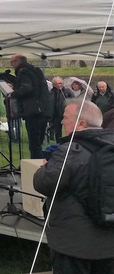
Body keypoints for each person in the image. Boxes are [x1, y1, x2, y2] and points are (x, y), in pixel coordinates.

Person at [33, 100, 114, 273]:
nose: (62, 122)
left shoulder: (70, 150)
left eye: (66, 117)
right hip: (108, 243)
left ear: (81, 124)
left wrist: (44, 167)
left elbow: (43, 183)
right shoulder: (111, 146)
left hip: (73, 246)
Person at [10, 54, 49, 159]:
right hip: (43, 110)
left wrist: (13, 93)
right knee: (38, 143)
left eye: (12, 62)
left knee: (34, 144)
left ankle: (36, 169)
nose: (11, 65)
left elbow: (27, 88)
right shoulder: (36, 71)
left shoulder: (23, 71)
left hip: (33, 111)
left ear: (17, 61)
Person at [50, 77, 74, 141]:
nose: (58, 85)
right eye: (56, 84)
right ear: (53, 85)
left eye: (60, 83)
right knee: (57, 132)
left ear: (62, 83)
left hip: (66, 115)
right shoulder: (50, 93)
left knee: (69, 130)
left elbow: (74, 101)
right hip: (56, 115)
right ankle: (59, 144)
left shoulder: (68, 92)